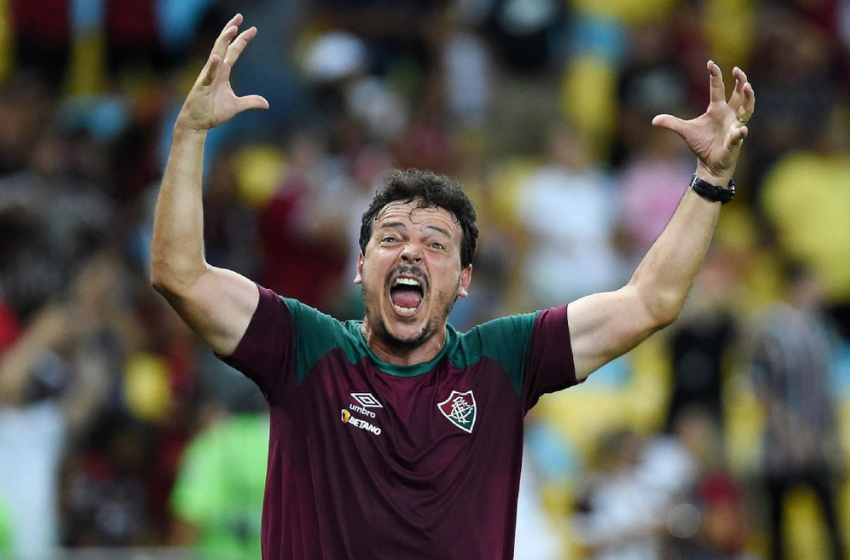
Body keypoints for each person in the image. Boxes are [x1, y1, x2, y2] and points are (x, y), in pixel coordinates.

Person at [149, 14, 754, 560]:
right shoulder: (304, 347)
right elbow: (180, 274)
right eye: (390, 238)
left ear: (464, 280)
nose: (412, 249)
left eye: (436, 243)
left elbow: (651, 301)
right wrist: (190, 134)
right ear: (360, 266)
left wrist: (710, 180)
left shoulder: (504, 359)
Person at [751, 262, 846, 560]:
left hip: (817, 443)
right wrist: (791, 432)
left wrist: (828, 438)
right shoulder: (772, 329)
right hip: (782, 447)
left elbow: (827, 389)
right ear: (796, 287)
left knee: (830, 522)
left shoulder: (820, 330)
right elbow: (761, 388)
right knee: (778, 528)